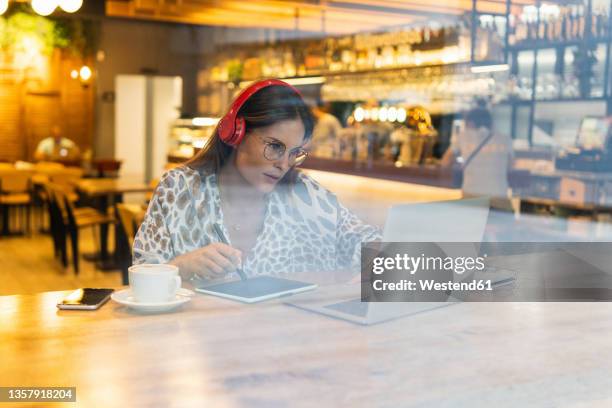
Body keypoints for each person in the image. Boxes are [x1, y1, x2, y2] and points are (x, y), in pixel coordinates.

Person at [133, 79, 381, 282]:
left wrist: (376, 266)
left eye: (294, 153)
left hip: (286, 341)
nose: (284, 164)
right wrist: (181, 267)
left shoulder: (307, 195)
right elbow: (140, 280)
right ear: (235, 133)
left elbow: (385, 251)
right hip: (194, 339)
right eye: (275, 146)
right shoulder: (179, 190)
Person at [442, 102, 513, 202]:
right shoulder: (505, 139)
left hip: (472, 194)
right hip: (499, 196)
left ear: (471, 123)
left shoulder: (463, 137)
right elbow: (510, 167)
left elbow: (445, 162)